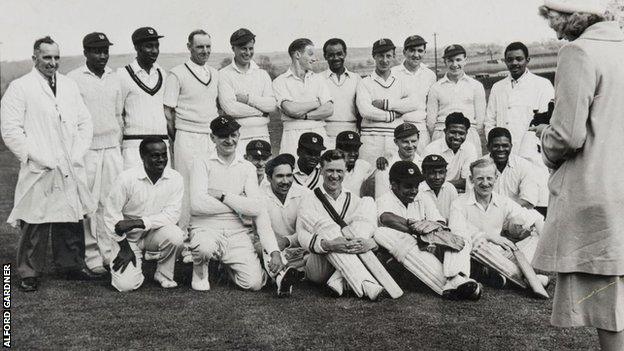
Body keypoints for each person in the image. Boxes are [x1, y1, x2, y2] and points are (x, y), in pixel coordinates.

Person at [531, 2, 624, 349]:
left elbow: (568, 135)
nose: (555, 32)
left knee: (610, 305)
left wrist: (544, 139)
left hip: (599, 190)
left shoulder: (578, 51)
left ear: (572, 19)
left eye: (555, 23)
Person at [1, 36, 96, 292]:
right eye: (47, 57)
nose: (52, 63)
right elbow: (11, 130)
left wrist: (77, 153)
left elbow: (85, 122)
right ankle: (29, 272)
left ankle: (71, 265)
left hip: (68, 162)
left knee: (70, 216)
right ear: (35, 58)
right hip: (39, 164)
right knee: (36, 218)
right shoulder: (20, 87)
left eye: (56, 58)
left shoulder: (69, 86)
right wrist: (35, 156)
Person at [188, 116, 283, 292]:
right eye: (223, 136)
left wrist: (223, 196)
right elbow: (197, 204)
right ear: (213, 138)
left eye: (233, 135)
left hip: (237, 232)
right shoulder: (200, 162)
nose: (229, 140)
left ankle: (226, 267)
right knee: (204, 247)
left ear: (239, 136)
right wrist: (241, 203)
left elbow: (257, 210)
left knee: (254, 284)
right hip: (206, 228)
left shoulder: (247, 167)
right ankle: (199, 270)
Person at [374, 161, 480, 300]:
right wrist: (419, 229)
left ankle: (458, 279)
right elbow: (387, 218)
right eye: (408, 186)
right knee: (414, 245)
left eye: (416, 186)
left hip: (427, 248)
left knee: (458, 238)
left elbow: (439, 221)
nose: (413, 190)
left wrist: (433, 227)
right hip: (398, 258)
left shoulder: (421, 196)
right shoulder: (384, 199)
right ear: (394, 185)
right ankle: (454, 284)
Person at [67, 32, 123, 275]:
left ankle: (110, 252)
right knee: (89, 204)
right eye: (96, 51)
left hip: (111, 148)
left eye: (105, 51)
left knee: (110, 202)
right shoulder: (73, 79)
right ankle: (92, 255)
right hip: (87, 150)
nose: (102, 56)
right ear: (85, 53)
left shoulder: (114, 77)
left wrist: (117, 143)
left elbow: (118, 114)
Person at [297, 150, 385, 300]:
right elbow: (301, 235)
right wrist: (329, 244)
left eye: (339, 171)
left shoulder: (354, 199)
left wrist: (369, 243)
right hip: (320, 266)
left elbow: (370, 231)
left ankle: (340, 280)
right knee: (328, 230)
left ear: (345, 172)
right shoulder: (308, 199)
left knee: (366, 210)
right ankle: (362, 282)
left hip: (348, 254)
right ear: (321, 172)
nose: (334, 176)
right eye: (330, 170)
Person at [448, 158, 547, 291]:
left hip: (500, 255)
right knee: (465, 242)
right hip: (473, 252)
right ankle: (523, 278)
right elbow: (458, 233)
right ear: (471, 180)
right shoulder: (459, 203)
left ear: (496, 178)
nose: (485, 183)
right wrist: (490, 237)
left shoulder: (503, 201)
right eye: (480, 179)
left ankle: (502, 276)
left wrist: (546, 241)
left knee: (535, 236)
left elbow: (534, 217)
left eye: (489, 178)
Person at [103, 137, 185, 292]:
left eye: (163, 155)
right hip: (127, 239)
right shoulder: (126, 178)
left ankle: (164, 274)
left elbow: (172, 215)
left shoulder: (175, 178)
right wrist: (124, 246)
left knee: (176, 236)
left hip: (154, 233)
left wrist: (137, 222)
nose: (161, 160)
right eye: (155, 155)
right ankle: (134, 267)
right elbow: (110, 215)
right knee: (125, 286)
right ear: (142, 157)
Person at [484, 41, 553, 213]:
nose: (514, 63)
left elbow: (546, 121)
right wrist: (495, 146)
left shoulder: (542, 85)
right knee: (501, 202)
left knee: (535, 201)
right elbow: (489, 122)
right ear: (505, 61)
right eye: (510, 59)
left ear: (527, 60)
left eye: (519, 59)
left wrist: (524, 152)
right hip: (501, 154)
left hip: (531, 154)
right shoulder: (498, 87)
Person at [163, 29, 218, 234]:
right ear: (189, 47)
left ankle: (206, 232)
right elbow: (168, 110)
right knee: (185, 185)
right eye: (200, 47)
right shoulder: (177, 73)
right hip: (186, 135)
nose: (204, 51)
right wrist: (177, 137)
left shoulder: (215, 73)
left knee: (208, 183)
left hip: (210, 137)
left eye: (208, 47)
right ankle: (184, 234)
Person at [255, 154, 311, 296]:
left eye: (289, 175)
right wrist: (274, 245)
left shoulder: (304, 194)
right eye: (280, 176)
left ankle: (284, 273)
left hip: (299, 247)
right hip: (273, 249)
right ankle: (283, 277)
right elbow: (262, 228)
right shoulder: (259, 196)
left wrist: (287, 240)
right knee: (261, 247)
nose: (285, 181)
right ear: (269, 178)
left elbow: (306, 229)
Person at [218, 28, 276, 154]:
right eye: (243, 48)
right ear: (233, 48)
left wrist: (248, 99)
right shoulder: (224, 74)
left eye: (251, 48)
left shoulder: (262, 74)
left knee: (262, 171)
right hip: (238, 137)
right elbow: (230, 108)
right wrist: (260, 112)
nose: (248, 52)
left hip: (263, 134)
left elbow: (271, 105)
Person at [356, 39, 414, 163]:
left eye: (388, 56)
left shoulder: (401, 81)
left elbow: (412, 103)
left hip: (395, 138)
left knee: (395, 176)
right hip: (370, 138)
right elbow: (365, 111)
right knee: (368, 176)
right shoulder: (365, 82)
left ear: (394, 56)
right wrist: (392, 114)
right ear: (374, 56)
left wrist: (386, 104)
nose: (384, 60)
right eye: (380, 56)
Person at [118, 27, 168, 169]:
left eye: (156, 46)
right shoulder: (122, 74)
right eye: (149, 46)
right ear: (137, 47)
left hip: (161, 145)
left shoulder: (162, 73)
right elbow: (118, 113)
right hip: (134, 146)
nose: (154, 51)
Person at [273, 38, 333, 156]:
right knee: (292, 170)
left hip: (318, 132)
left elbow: (329, 109)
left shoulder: (319, 79)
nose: (315, 58)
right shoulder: (279, 81)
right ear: (297, 55)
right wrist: (317, 103)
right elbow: (291, 109)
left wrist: (304, 115)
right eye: (310, 54)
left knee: (321, 170)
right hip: (292, 136)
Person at [427, 44, 485, 154]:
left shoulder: (476, 86)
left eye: (458, 60)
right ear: (445, 62)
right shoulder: (436, 87)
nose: (454, 64)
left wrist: (468, 132)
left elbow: (480, 120)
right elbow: (431, 122)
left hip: (468, 134)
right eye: (450, 60)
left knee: (470, 168)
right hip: (442, 133)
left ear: (465, 60)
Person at [391, 35, 437, 154]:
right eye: (412, 50)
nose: (416, 55)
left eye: (420, 51)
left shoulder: (430, 75)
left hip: (421, 129)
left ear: (425, 52)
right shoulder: (393, 73)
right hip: (398, 128)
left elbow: (431, 106)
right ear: (404, 52)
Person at [482, 128, 540, 209]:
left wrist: (500, 210)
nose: (501, 149)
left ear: (511, 146)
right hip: (486, 216)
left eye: (505, 146)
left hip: (517, 216)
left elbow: (528, 201)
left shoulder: (524, 166)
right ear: (488, 147)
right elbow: (474, 199)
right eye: (496, 146)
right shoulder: (479, 167)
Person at [320, 38, 361, 149]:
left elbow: (360, 110)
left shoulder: (356, 78)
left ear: (345, 54)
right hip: (325, 133)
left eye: (339, 54)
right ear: (325, 56)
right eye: (331, 55)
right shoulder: (318, 79)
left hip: (351, 132)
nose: (336, 58)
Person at [423, 113, 478, 192]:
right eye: (453, 132)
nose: (456, 137)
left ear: (466, 134)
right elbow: (425, 181)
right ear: (445, 131)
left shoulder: (470, 148)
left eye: (461, 133)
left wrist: (441, 185)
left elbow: (468, 181)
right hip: (432, 192)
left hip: (459, 194)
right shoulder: (431, 149)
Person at [375, 122, 424, 198]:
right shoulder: (386, 166)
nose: (410, 145)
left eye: (413, 141)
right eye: (405, 142)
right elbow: (381, 198)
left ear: (418, 139)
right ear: (396, 142)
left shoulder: (423, 164)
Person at [418, 155, 459, 222]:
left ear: (446, 172)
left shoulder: (450, 188)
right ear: (424, 173)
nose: (437, 177)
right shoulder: (418, 191)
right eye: (432, 173)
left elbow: (457, 216)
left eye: (441, 172)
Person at [334, 131, 374, 196]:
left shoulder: (364, 166)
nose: (352, 154)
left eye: (355, 149)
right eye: (348, 149)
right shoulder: (330, 168)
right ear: (337, 151)